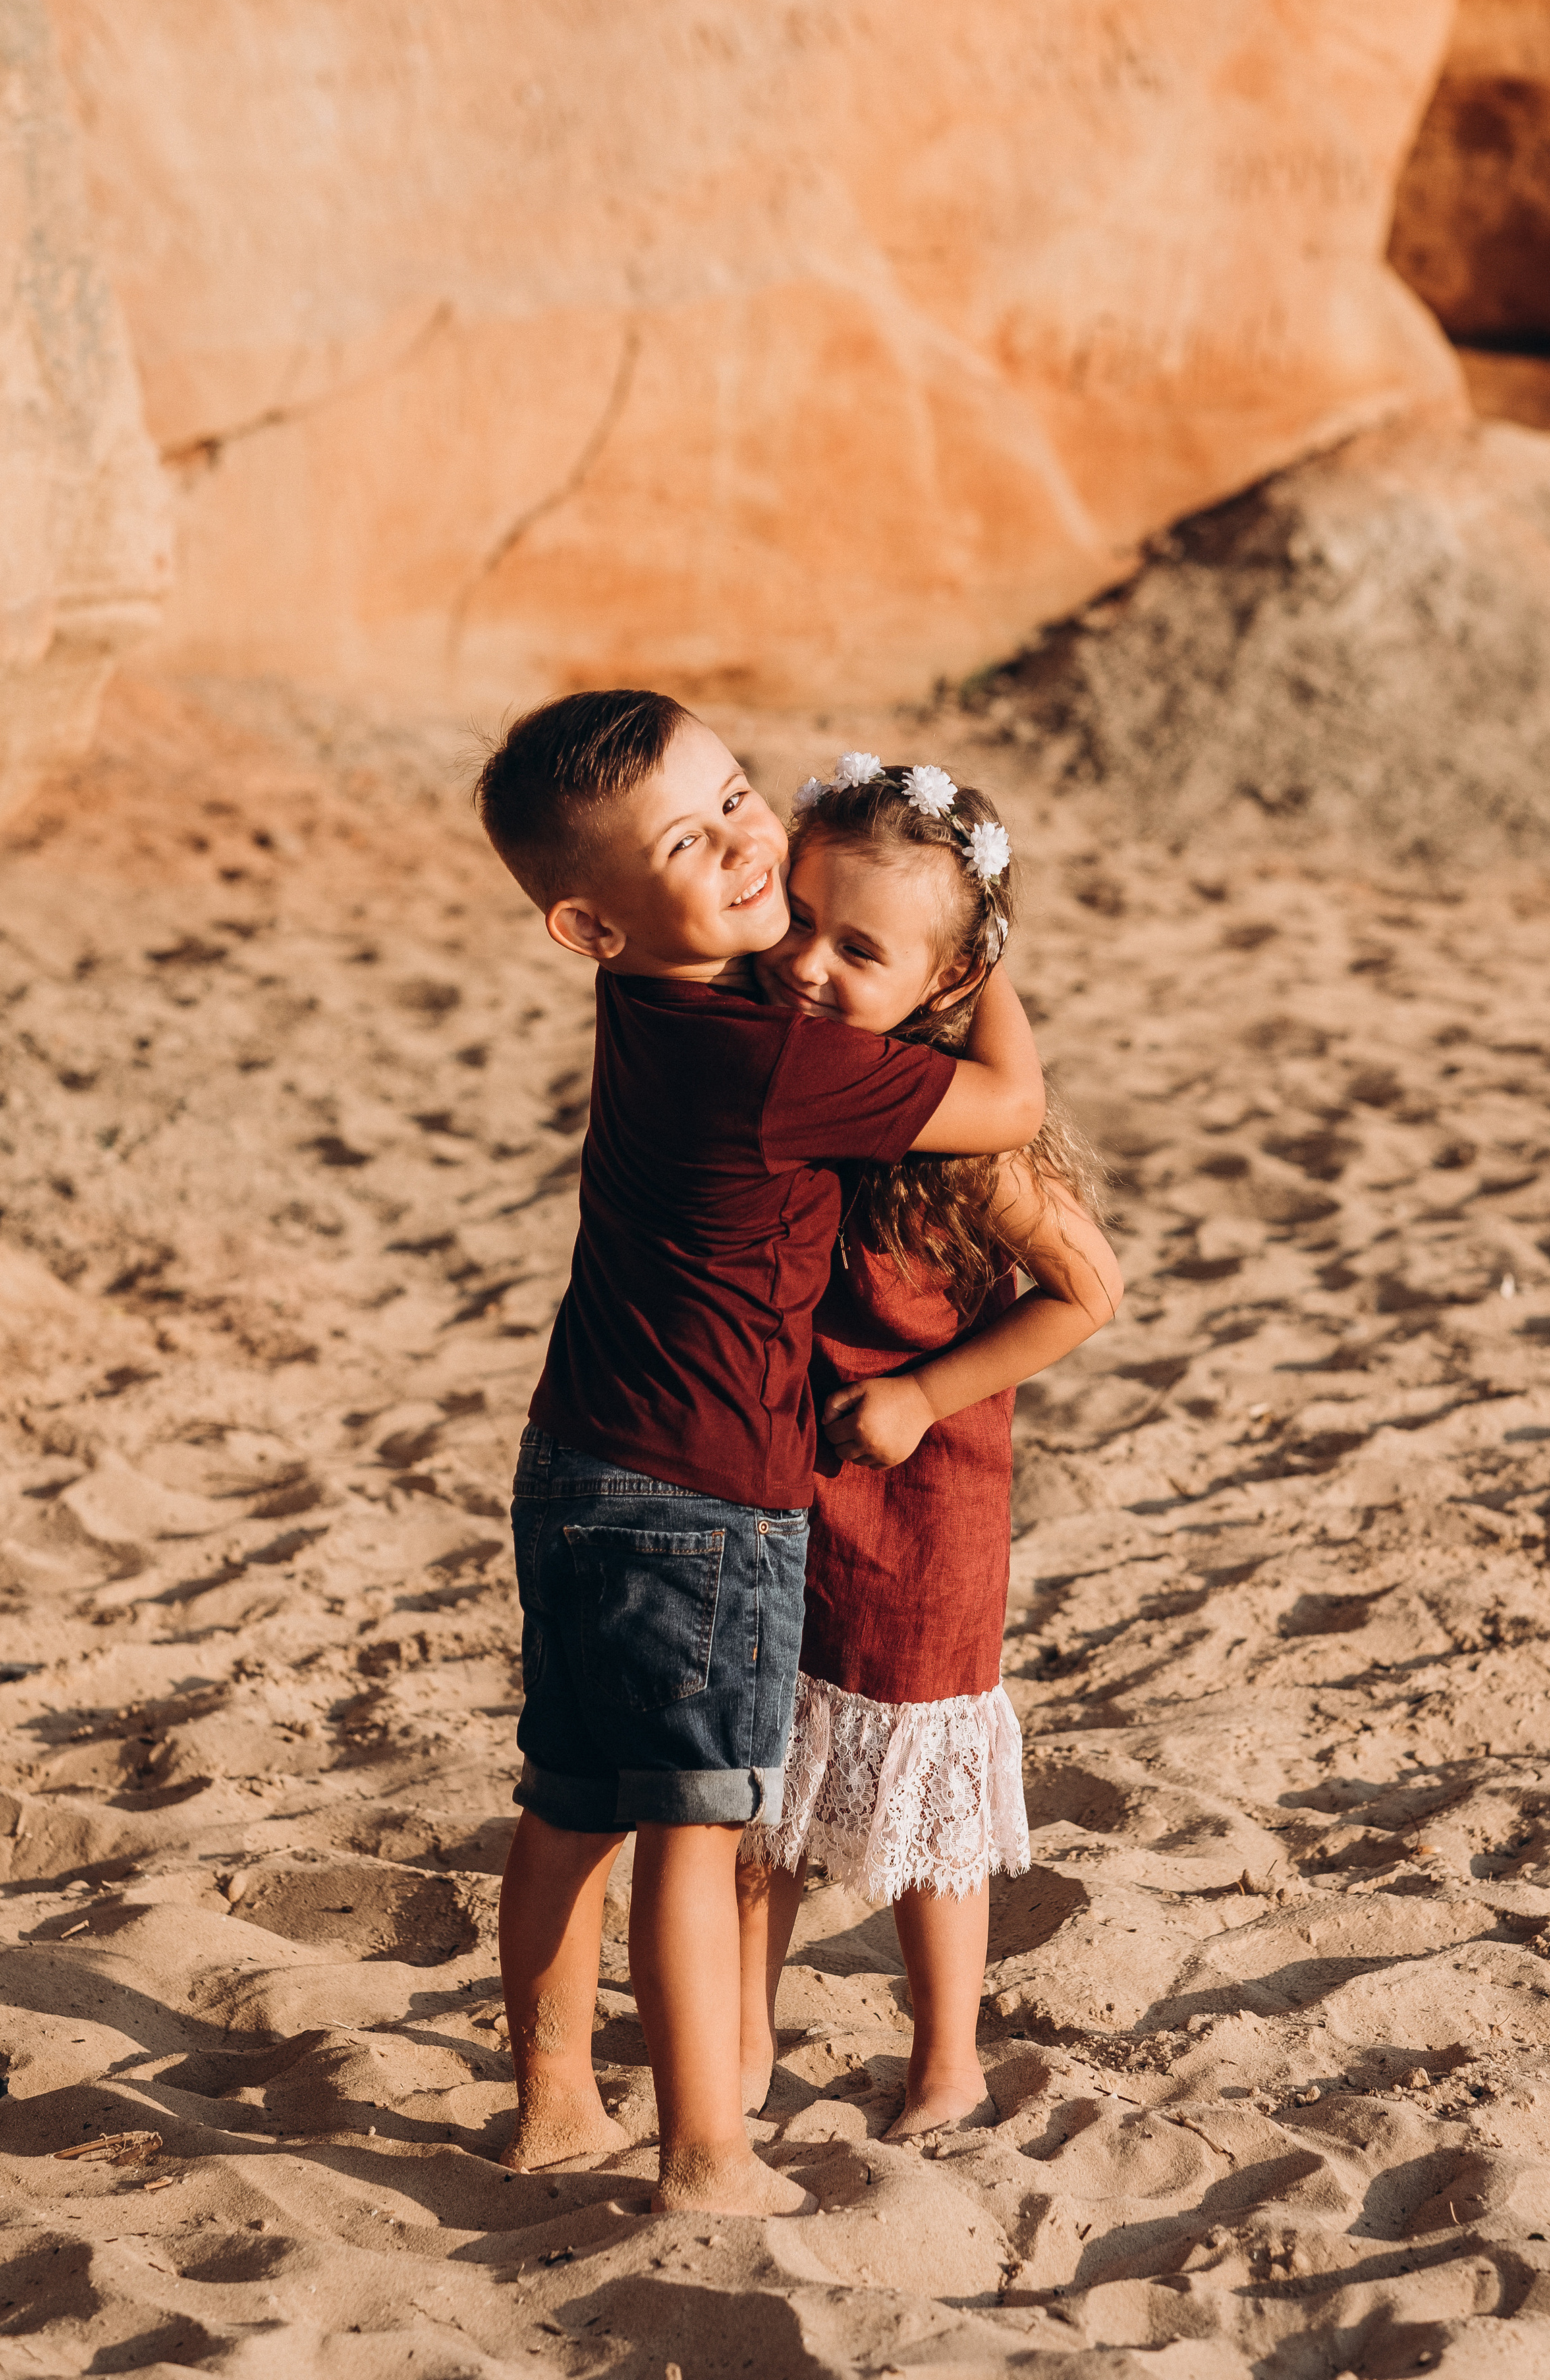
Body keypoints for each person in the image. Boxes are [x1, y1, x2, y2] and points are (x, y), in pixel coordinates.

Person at [472, 695, 1046, 2216]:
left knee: (569, 1801)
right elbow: (1011, 1106)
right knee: (694, 1819)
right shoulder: (772, 1060)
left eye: (736, 797)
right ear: (591, 926)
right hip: (704, 1496)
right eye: (688, 840)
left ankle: (553, 2109)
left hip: (571, 1463)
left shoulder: (650, 1001)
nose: (741, 847)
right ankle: (708, 2153)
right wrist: (976, 959)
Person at [735, 757, 1122, 2138]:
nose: (808, 966)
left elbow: (1088, 1290)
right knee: (763, 1780)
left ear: (948, 980)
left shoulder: (955, 1128)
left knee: (927, 1789)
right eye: (797, 921)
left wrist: (923, 1392)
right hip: (777, 1481)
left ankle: (946, 2057)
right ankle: (742, 2040)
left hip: (923, 1501)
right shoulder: (765, 1063)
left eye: (860, 950)